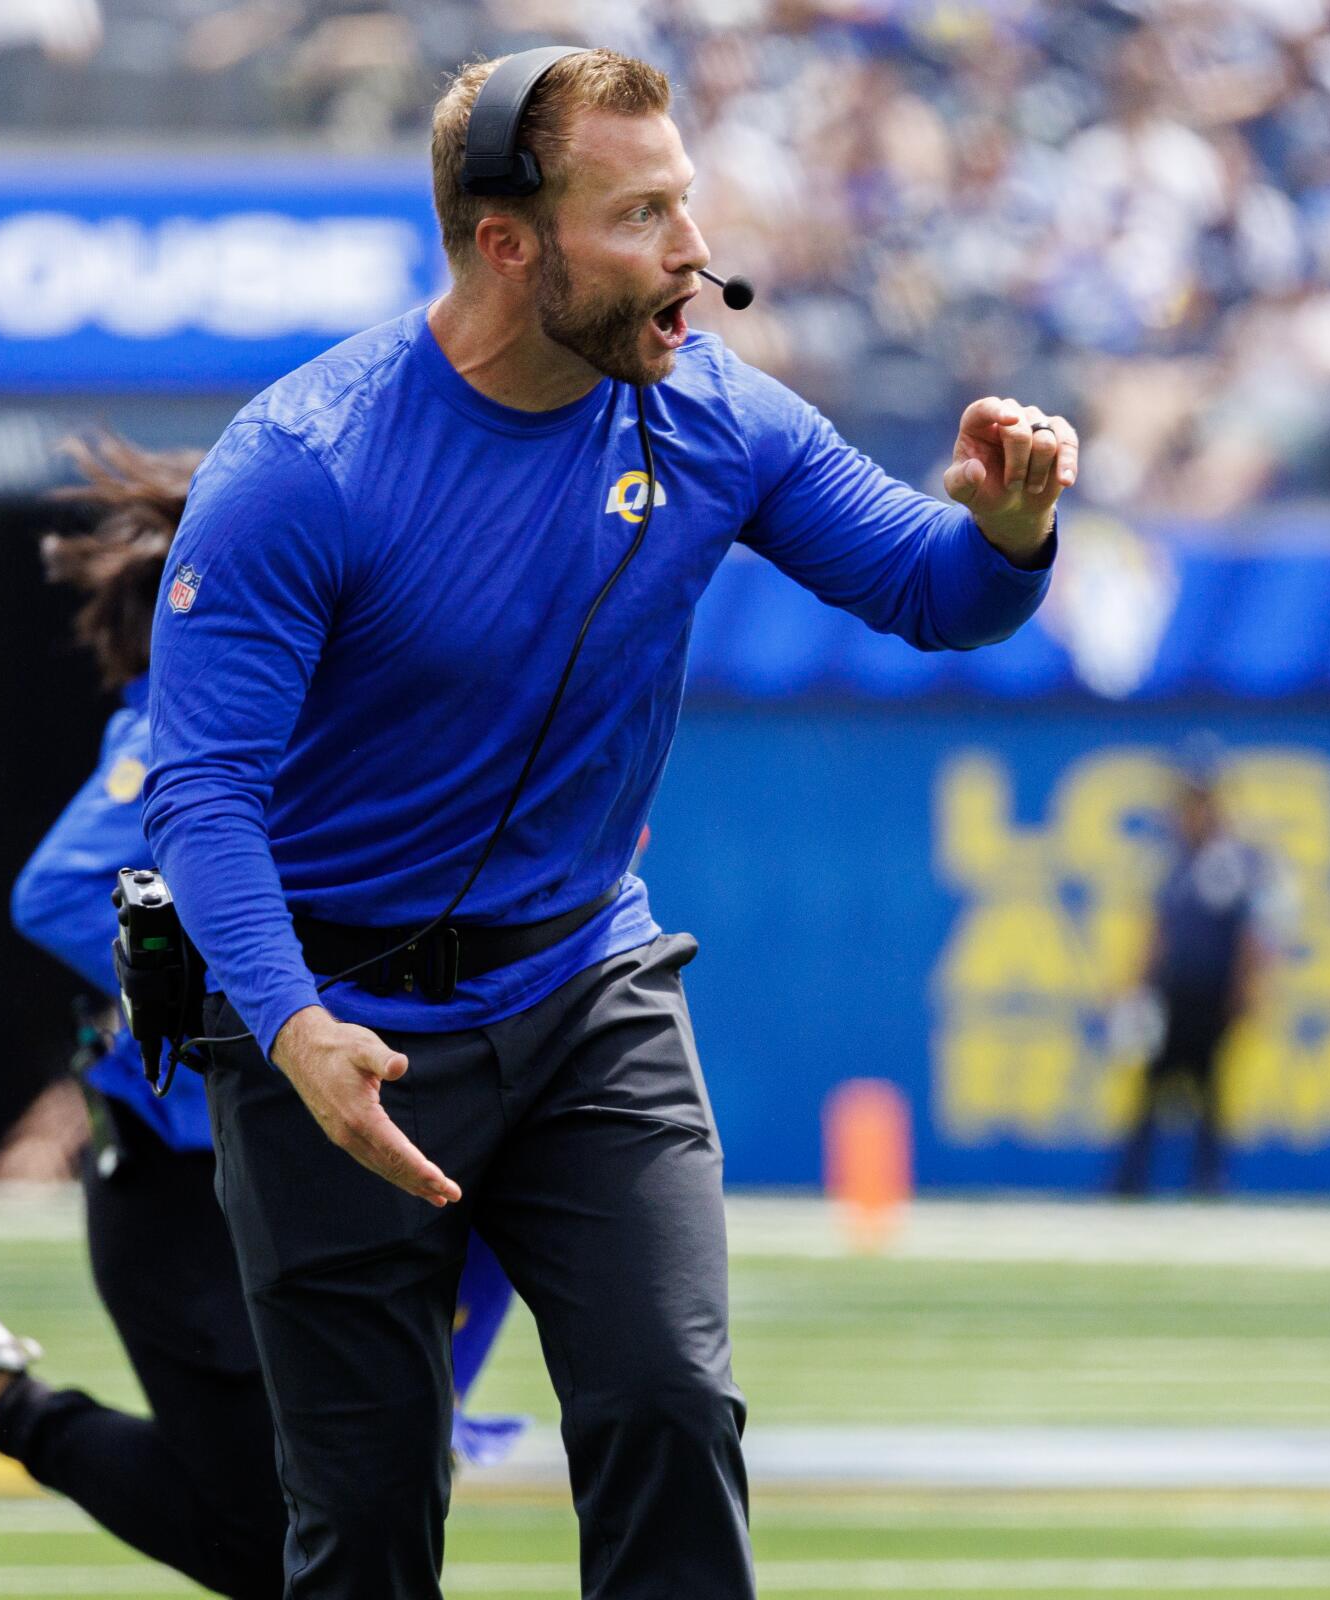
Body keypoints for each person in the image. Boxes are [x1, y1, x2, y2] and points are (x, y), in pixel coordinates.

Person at [144, 47, 1071, 1599]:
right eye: (643, 215)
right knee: (363, 1520)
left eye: (688, 204)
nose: (695, 254)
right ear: (511, 240)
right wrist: (296, 1032)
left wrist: (1012, 530)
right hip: (330, 1033)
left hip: (585, 999)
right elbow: (200, 796)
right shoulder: (302, 468)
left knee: (669, 1409)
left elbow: (932, 588)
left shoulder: (714, 412)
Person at [0, 438, 522, 1595]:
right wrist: (253, 1013)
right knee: (279, 1538)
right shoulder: (184, 728)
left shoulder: (364, 725)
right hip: (184, 1188)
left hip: (296, 1173)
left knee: (334, 1513)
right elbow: (55, 892)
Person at [1111, 746, 1280, 1198]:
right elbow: (1159, 931)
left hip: (1212, 998)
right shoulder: (1173, 860)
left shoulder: (1237, 861)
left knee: (1211, 1094)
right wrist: (1136, 986)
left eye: (1197, 802)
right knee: (1150, 1090)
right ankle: (1129, 1183)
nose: (1189, 813)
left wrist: (1248, 991)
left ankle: (1208, 1182)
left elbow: (1254, 933)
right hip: (1170, 996)